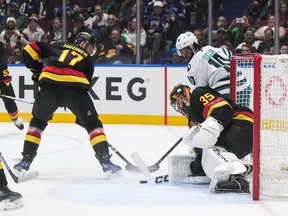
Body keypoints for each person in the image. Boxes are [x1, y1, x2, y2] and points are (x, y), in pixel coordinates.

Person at [13, 32, 122, 178]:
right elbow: (85, 87)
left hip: (49, 86)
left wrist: (38, 70)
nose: (90, 51)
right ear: (83, 43)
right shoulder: (88, 60)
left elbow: (30, 49)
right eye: (90, 47)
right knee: (93, 125)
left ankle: (25, 162)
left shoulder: (57, 45)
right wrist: (83, 118)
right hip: (74, 89)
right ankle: (106, 163)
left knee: (37, 123)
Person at [169, 83, 253, 193]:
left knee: (217, 150)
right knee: (207, 159)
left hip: (242, 122)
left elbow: (224, 110)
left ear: (185, 97)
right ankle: (246, 169)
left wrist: (213, 125)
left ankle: (239, 179)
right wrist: (197, 167)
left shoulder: (199, 94)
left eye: (179, 103)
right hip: (234, 132)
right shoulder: (192, 121)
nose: (180, 108)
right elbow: (202, 148)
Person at [175, 31, 251, 107]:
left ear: (194, 46)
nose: (184, 55)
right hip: (244, 86)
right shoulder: (209, 48)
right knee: (244, 116)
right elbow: (228, 53)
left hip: (226, 92)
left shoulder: (193, 66)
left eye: (186, 51)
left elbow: (201, 91)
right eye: (181, 52)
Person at [0, 42, 24, 130]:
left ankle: (15, 118)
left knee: (10, 103)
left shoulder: (1, 60)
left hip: (4, 83)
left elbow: (4, 77)